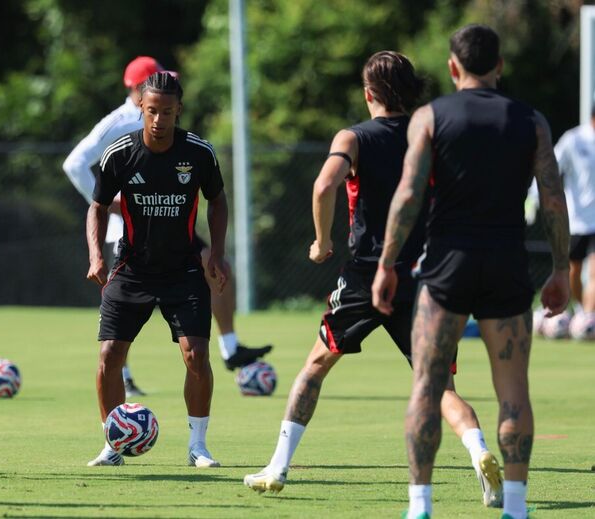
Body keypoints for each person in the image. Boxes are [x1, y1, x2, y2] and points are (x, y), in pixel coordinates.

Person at [243, 51, 503, 509]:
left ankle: (278, 467)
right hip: (425, 277)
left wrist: (322, 241)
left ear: (368, 94)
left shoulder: (354, 137)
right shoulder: (432, 132)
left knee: (315, 366)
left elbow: (324, 185)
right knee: (440, 387)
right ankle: (479, 450)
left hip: (367, 276)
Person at [371, 25, 570, 519]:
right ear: (499, 65)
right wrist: (560, 268)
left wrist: (386, 263)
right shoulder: (532, 121)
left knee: (427, 387)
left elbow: (408, 196)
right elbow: (551, 199)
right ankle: (516, 508)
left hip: (447, 267)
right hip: (507, 265)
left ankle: (420, 506)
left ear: (452, 67)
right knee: (514, 392)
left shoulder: (430, 116)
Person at [63, 57, 271, 397]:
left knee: (215, 265)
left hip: (173, 225)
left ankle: (230, 347)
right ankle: (124, 375)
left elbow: (217, 199)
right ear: (138, 91)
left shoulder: (187, 142)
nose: (159, 116)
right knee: (120, 314)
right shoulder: (118, 124)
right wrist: (114, 204)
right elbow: (75, 164)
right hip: (129, 231)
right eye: (152, 104)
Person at [85, 72, 228, 467]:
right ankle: (113, 444)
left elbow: (217, 201)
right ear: (141, 108)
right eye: (152, 111)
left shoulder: (199, 153)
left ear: (178, 110)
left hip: (184, 270)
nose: (159, 119)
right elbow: (98, 206)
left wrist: (216, 254)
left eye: (167, 111)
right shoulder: (120, 154)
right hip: (132, 268)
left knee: (196, 355)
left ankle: (198, 446)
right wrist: (96, 256)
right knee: (110, 355)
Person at [526, 99, 595, 326]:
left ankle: (589, 316)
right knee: (574, 270)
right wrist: (533, 197)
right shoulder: (574, 139)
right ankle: (581, 312)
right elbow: (551, 167)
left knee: (594, 271)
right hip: (578, 220)